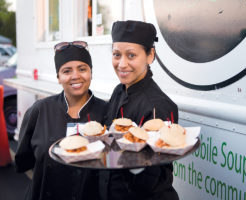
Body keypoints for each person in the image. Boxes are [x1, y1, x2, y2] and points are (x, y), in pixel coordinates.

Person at [15, 41, 107, 200]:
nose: (75, 76)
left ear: (91, 73)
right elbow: (23, 160)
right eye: (67, 71)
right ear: (58, 77)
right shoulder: (39, 110)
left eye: (82, 69)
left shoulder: (107, 111)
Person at [99, 20, 180, 200]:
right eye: (116, 54)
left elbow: (150, 181)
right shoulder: (119, 90)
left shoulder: (157, 107)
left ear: (151, 55)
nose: (121, 64)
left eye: (131, 55)